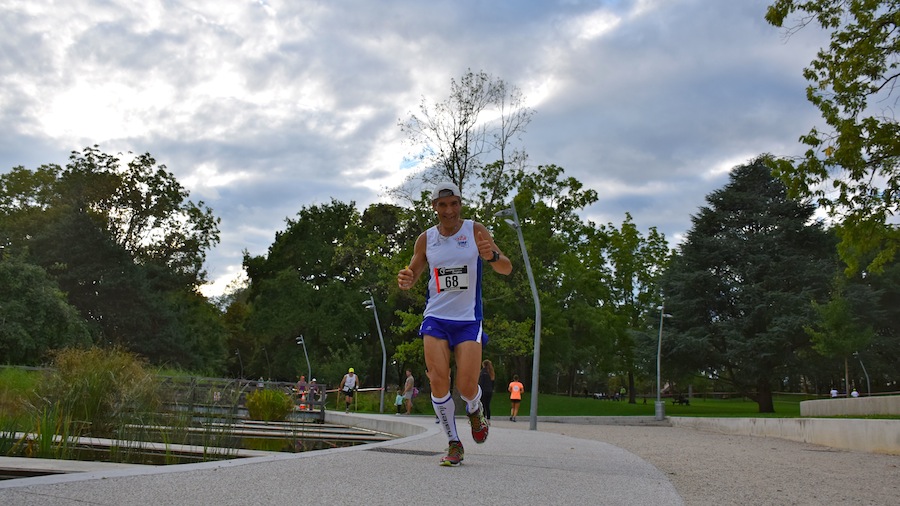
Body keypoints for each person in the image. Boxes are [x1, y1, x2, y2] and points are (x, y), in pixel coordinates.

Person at [397, 181, 512, 467]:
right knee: (438, 379)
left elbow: (506, 267)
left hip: (468, 319)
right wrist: (407, 278)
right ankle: (453, 442)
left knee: (466, 386)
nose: (449, 211)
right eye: (443, 205)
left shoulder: (475, 231)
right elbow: (413, 270)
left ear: (460, 204)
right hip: (435, 317)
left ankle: (475, 409)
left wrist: (492, 256)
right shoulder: (426, 239)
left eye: (454, 204)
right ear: (434, 207)